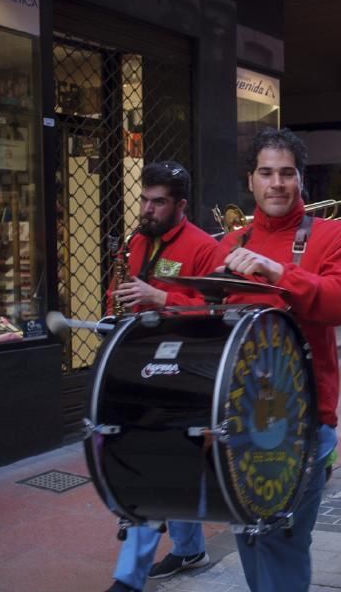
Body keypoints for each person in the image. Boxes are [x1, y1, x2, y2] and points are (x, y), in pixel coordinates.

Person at [211, 127, 341, 591]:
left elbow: (338, 302)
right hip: (237, 422)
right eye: (266, 173)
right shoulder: (230, 242)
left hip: (300, 424)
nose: (276, 183)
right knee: (250, 537)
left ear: (300, 179)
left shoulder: (335, 236)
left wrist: (276, 270)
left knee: (282, 542)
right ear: (251, 181)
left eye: (286, 173)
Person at [105, 162, 219, 592]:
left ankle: (127, 579)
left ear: (181, 205)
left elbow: (215, 311)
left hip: (182, 369)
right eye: (144, 199)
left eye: (159, 202)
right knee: (174, 465)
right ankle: (190, 548)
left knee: (150, 468)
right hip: (137, 363)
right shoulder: (135, 242)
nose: (148, 209)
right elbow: (119, 293)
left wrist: (161, 298)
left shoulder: (204, 247)